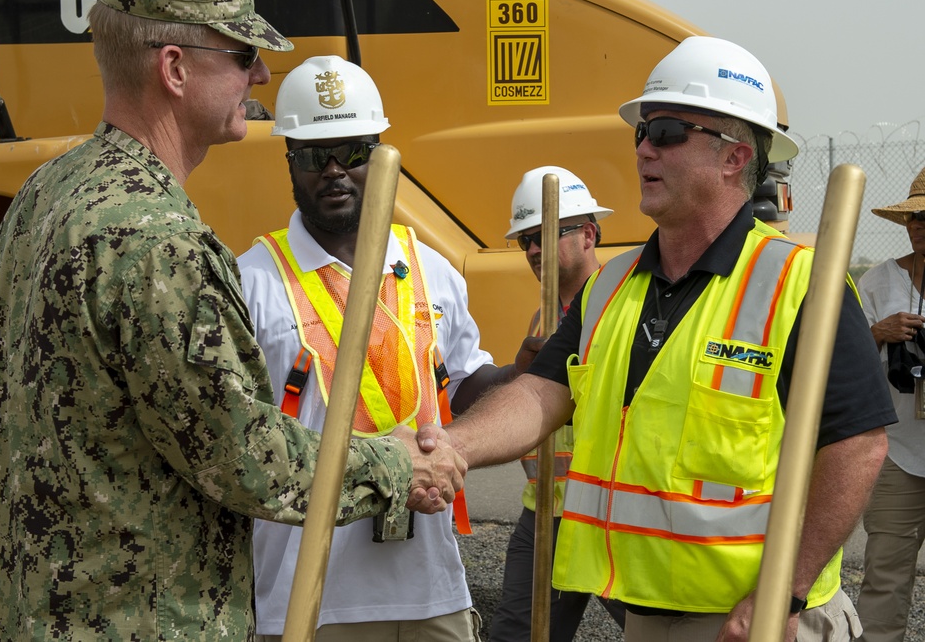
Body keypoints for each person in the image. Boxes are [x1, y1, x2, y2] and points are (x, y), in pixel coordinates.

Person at [0, 0, 463, 642]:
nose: (262, 74)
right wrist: (397, 463)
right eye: (242, 52)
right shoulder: (156, 240)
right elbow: (244, 460)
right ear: (175, 69)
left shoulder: (54, 188)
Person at [416, 35, 896, 642]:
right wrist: (452, 445)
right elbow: (540, 392)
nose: (644, 147)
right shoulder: (611, 287)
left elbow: (857, 446)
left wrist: (788, 588)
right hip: (642, 614)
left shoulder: (800, 284)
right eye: (640, 132)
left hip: (762, 621)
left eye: (667, 132)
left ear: (733, 157)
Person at [237, 54, 529, 641]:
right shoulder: (253, 282)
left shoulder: (431, 269)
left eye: (354, 152)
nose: (336, 171)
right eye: (317, 155)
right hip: (307, 596)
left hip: (428, 588)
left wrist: (526, 371)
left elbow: (465, 385)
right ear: (290, 160)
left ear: (381, 155)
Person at [489, 165, 626, 641]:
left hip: (613, 512)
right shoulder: (540, 318)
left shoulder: (624, 307)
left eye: (545, 235)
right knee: (517, 635)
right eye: (525, 239)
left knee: (663, 630)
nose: (532, 250)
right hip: (546, 510)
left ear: (588, 235)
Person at [854, 169, 925, 642]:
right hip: (896, 450)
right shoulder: (878, 281)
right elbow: (842, 362)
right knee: (885, 574)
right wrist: (878, 334)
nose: (918, 226)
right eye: (912, 218)